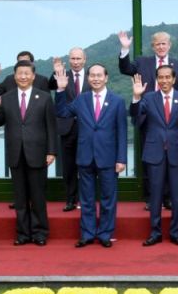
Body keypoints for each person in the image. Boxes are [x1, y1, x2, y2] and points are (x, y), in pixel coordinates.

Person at [54, 63, 127, 248]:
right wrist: (61, 90)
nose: (95, 78)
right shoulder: (81, 99)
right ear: (88, 78)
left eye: (99, 75)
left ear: (106, 77)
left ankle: (104, 234)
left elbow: (122, 132)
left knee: (108, 199)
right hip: (85, 156)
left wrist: (121, 159)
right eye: (92, 75)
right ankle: (86, 234)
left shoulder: (117, 101)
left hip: (108, 157)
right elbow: (62, 112)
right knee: (86, 199)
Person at [0, 60, 58, 246]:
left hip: (38, 152)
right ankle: (22, 233)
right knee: (19, 198)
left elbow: (51, 126)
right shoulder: (7, 97)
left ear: (33, 76)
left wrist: (52, 151)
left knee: (37, 196)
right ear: (14, 76)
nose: (23, 77)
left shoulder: (44, 97)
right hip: (16, 153)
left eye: (27, 73)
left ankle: (40, 232)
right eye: (20, 73)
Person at [118, 30, 178, 208]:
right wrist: (125, 49)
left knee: (171, 160)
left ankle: (167, 198)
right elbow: (125, 69)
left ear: (169, 45)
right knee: (150, 159)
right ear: (153, 46)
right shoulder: (143, 62)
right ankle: (151, 198)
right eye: (157, 44)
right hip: (147, 118)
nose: (161, 46)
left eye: (164, 43)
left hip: (171, 120)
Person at [131, 66, 178, 246]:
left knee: (176, 196)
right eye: (161, 77)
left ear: (174, 79)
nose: (164, 80)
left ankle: (176, 233)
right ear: (157, 79)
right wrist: (136, 97)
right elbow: (135, 118)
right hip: (154, 153)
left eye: (168, 77)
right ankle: (155, 232)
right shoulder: (149, 98)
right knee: (155, 197)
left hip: (177, 153)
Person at [49, 48, 89, 212]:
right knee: (69, 167)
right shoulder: (62, 75)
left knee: (87, 165)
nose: (76, 61)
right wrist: (56, 72)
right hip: (67, 128)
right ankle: (71, 199)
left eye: (79, 58)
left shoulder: (92, 76)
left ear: (85, 59)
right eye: (73, 58)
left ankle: (86, 199)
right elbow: (51, 86)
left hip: (88, 128)